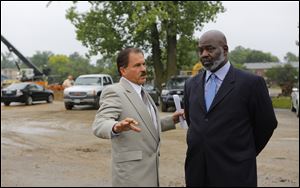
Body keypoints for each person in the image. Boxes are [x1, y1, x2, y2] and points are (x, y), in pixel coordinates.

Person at [183, 30, 278, 187]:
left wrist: (244, 153)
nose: (204, 54)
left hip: (235, 173)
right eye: (201, 50)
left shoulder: (251, 84)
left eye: (210, 49)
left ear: (225, 50)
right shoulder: (190, 85)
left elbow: (266, 124)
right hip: (197, 173)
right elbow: (192, 121)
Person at [92, 48, 184, 187]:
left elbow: (147, 126)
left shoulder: (143, 92)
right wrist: (116, 127)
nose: (143, 69)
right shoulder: (115, 92)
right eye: (137, 65)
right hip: (131, 177)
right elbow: (100, 124)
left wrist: (172, 120)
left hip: (150, 174)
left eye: (144, 64)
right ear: (123, 70)